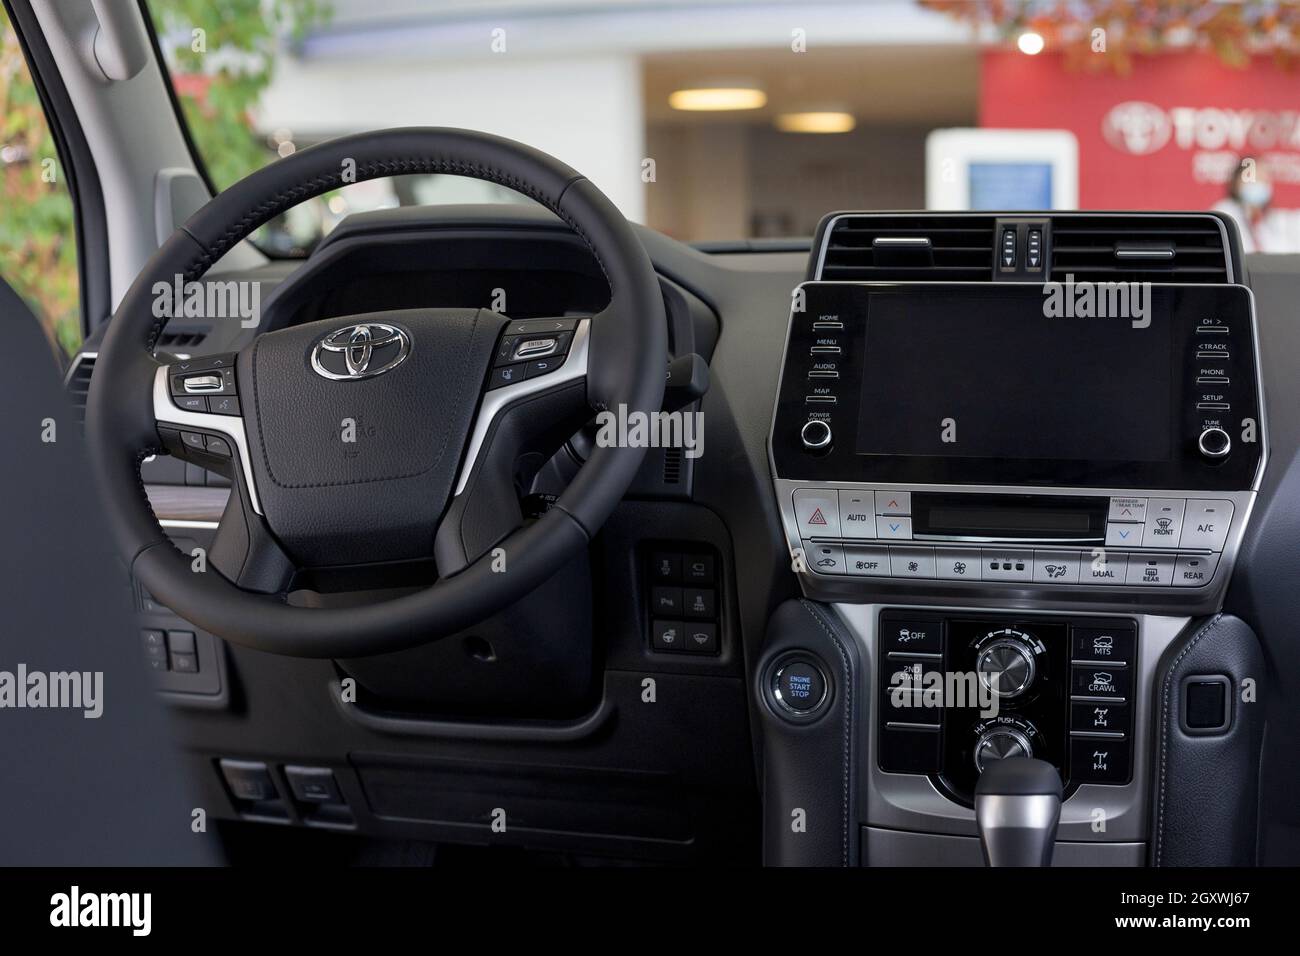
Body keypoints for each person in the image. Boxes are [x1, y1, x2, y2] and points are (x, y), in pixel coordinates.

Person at [1213, 162, 1288, 254]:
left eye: (1263, 179)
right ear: (1236, 182)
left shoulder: (1270, 220)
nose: (1258, 183)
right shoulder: (1224, 212)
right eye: (1252, 178)